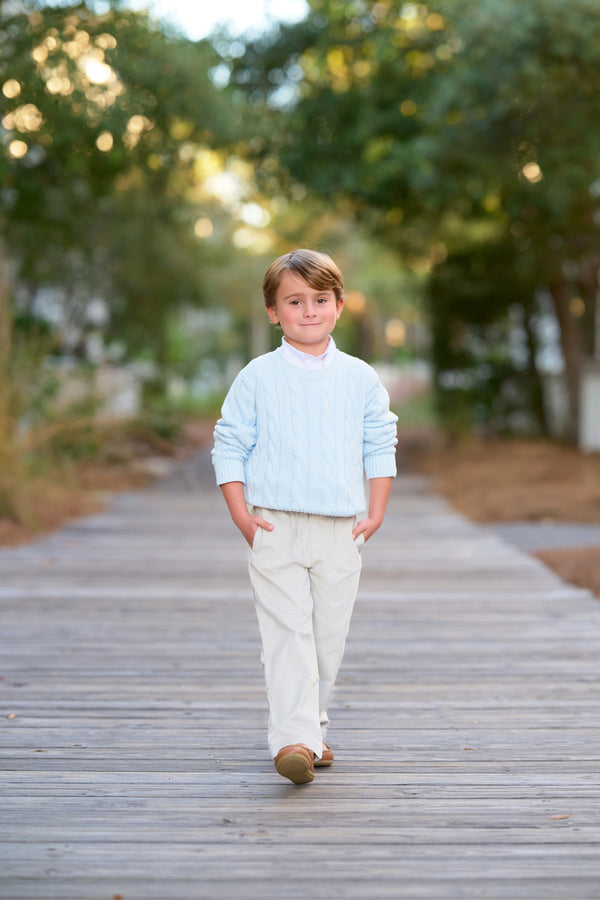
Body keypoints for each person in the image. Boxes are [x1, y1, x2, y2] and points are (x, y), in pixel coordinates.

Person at [212, 248, 397, 784]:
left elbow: (379, 441)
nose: (309, 311)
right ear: (274, 311)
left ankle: (311, 727)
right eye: (295, 301)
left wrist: (376, 511)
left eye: (321, 300)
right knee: (287, 632)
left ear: (339, 305)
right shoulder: (257, 377)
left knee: (327, 636)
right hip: (275, 525)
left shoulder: (359, 378)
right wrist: (242, 516)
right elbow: (230, 445)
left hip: (341, 528)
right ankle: (292, 740)